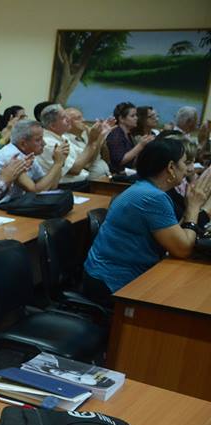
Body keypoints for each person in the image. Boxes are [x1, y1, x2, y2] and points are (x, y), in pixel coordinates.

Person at [83, 138, 211, 301]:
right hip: (112, 282)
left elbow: (176, 235)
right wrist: (193, 207)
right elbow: (182, 249)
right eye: (185, 163)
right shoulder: (152, 197)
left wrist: (192, 208)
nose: (187, 169)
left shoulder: (146, 188)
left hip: (103, 275)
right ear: (171, 167)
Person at [36, 104, 110, 191]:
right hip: (66, 187)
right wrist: (92, 141)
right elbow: (75, 170)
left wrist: (98, 138)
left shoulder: (63, 137)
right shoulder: (49, 143)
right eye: (64, 118)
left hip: (82, 182)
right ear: (53, 126)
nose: (68, 120)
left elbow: (87, 161)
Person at [0, 119, 68, 198]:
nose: (44, 143)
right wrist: (57, 164)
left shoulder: (28, 154)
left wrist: (60, 163)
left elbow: (50, 187)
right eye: (38, 140)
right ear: (23, 144)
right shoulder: (12, 156)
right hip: (0, 204)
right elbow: (36, 191)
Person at [63, 107, 110, 179]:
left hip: (105, 175)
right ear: (67, 122)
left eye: (82, 117)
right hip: (89, 181)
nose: (83, 120)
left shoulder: (86, 134)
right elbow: (88, 164)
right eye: (78, 118)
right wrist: (96, 140)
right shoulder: (66, 140)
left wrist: (103, 139)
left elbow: (105, 158)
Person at [106, 102, 152, 174]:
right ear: (121, 119)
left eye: (136, 115)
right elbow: (119, 161)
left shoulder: (129, 134)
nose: (136, 118)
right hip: (118, 174)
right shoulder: (115, 135)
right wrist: (140, 145)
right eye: (132, 116)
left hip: (129, 171)